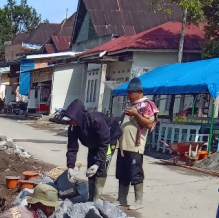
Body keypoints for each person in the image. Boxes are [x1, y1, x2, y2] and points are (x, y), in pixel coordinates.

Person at [64, 99, 121, 201]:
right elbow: (72, 147)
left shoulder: (96, 121)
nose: (70, 121)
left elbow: (104, 143)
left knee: (100, 167)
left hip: (109, 139)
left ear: (78, 116)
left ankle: (97, 198)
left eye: (72, 119)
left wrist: (98, 163)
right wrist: (70, 166)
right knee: (90, 166)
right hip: (94, 143)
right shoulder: (73, 127)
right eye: (69, 119)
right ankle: (91, 197)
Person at [116, 77, 159, 209]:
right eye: (128, 93)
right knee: (122, 174)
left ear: (138, 92)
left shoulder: (148, 105)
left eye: (131, 93)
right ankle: (122, 199)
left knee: (135, 173)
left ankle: (138, 201)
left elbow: (149, 124)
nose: (129, 95)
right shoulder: (132, 107)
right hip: (123, 146)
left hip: (135, 147)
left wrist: (136, 115)